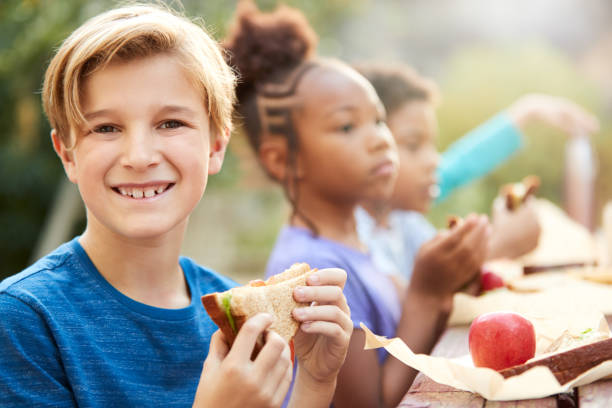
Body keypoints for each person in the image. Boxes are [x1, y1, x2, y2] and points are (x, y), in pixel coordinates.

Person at [0, 5, 352, 408]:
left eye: (170, 123)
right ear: (68, 155)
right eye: (105, 128)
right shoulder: (23, 320)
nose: (139, 156)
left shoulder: (237, 314)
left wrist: (315, 382)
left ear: (216, 146)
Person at [223, 2, 490, 407]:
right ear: (284, 160)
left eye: (379, 120)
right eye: (348, 126)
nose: (381, 139)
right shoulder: (309, 273)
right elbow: (372, 403)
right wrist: (425, 295)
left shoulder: (355, 244)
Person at [354, 62, 600, 280]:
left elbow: (460, 165)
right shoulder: (354, 243)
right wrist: (498, 247)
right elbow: (417, 302)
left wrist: (528, 111)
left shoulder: (405, 221)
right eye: (413, 145)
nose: (435, 161)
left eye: (432, 146)